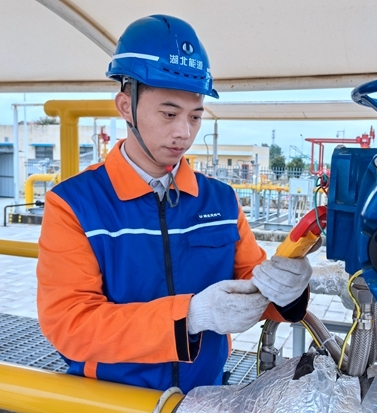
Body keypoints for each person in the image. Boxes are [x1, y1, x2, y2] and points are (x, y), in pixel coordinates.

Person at [36, 14, 313, 394]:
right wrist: (191, 316)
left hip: (203, 395)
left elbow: (253, 284)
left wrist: (287, 291)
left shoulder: (220, 199)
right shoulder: (75, 203)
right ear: (125, 106)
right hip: (112, 400)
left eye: (195, 117)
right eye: (169, 114)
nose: (184, 132)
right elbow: (70, 325)